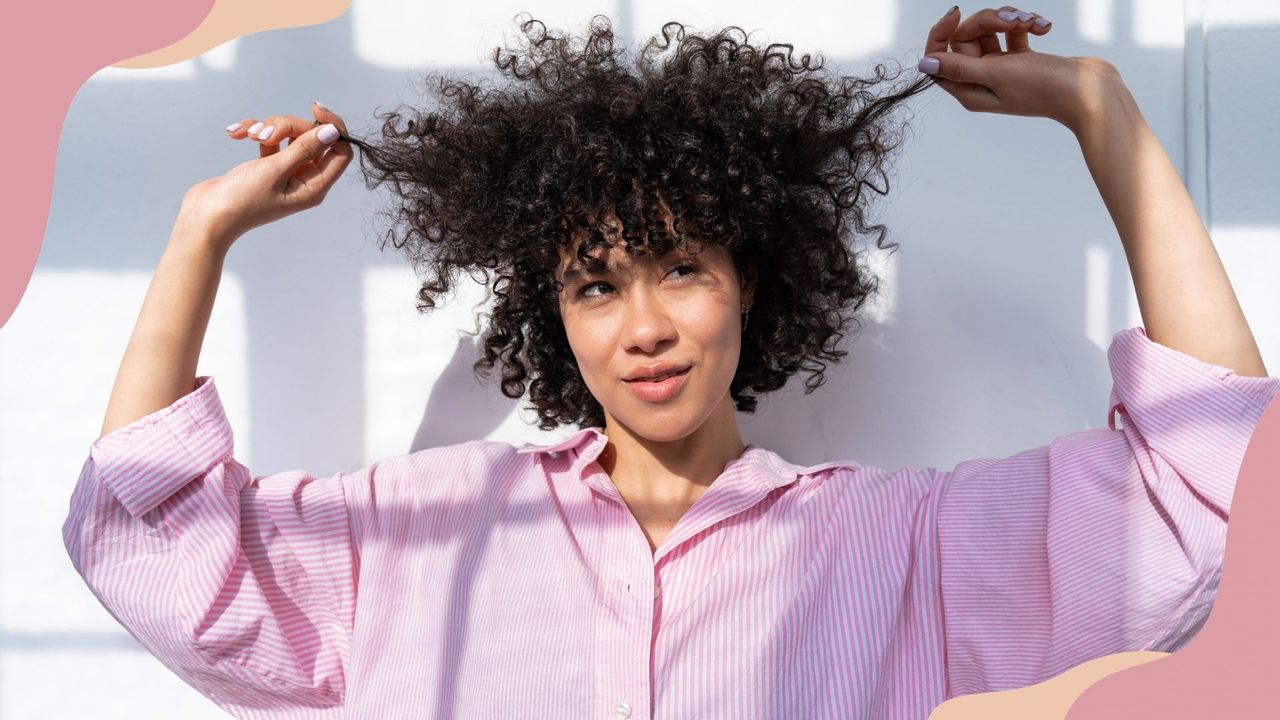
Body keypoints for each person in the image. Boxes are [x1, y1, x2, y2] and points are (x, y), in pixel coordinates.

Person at [64, 7, 1277, 719]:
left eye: (681, 269)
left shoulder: (895, 545)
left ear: (750, 280)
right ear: (556, 315)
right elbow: (155, 532)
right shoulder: (416, 534)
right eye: (595, 283)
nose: (642, 325)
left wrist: (1101, 115)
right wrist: (199, 233)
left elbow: (1200, 485)